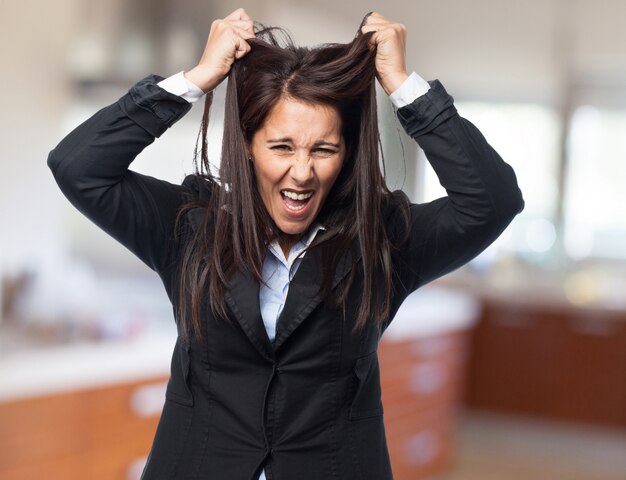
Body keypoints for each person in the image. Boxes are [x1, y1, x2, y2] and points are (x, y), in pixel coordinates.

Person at [47, 8, 524, 480]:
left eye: (323, 149)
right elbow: (77, 167)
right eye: (282, 147)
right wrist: (196, 80)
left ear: (346, 155)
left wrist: (404, 87)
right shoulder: (191, 228)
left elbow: (493, 201)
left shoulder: (383, 240)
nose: (301, 172)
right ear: (249, 144)